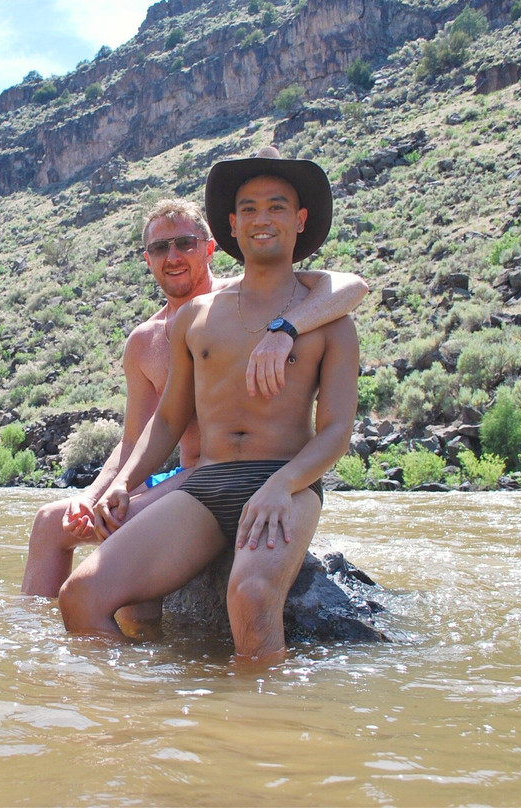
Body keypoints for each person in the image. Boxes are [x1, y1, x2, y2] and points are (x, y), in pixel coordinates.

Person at [57, 148, 359, 664]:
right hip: (204, 486)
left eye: (277, 206)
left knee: (252, 595)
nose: (262, 219)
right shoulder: (194, 317)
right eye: (249, 209)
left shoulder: (330, 320)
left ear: (300, 220)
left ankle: (258, 734)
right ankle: (150, 723)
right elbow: (168, 420)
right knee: (81, 596)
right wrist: (124, 484)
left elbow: (335, 432)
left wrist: (282, 485)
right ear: (233, 227)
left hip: (284, 482)